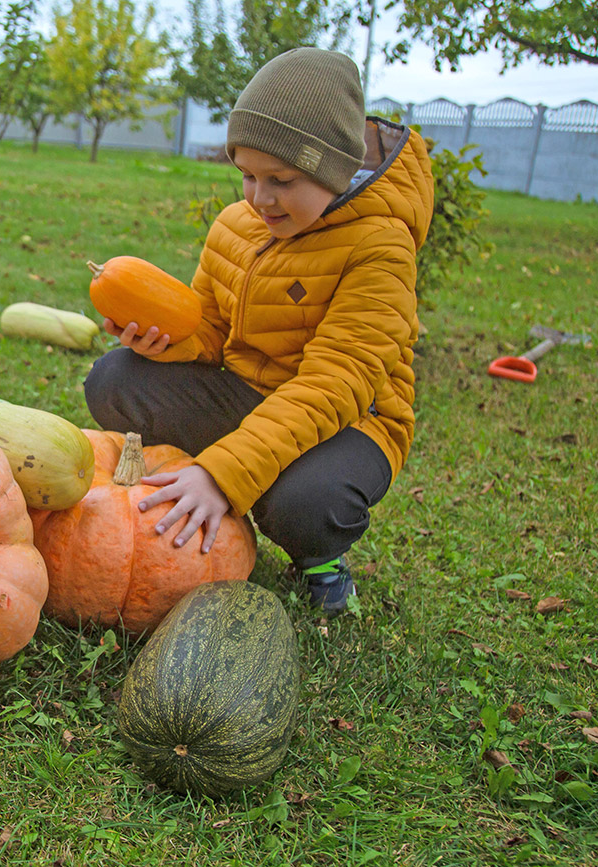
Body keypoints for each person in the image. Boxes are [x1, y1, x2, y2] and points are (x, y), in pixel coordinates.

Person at [84, 47, 434, 613]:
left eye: (282, 179)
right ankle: (219, 487)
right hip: (251, 394)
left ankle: (319, 557)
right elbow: (214, 331)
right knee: (115, 380)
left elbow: (332, 385)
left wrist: (224, 473)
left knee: (304, 502)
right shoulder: (236, 224)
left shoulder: (381, 249)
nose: (259, 198)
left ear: (335, 171)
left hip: (349, 422)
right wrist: (169, 342)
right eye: (247, 174)